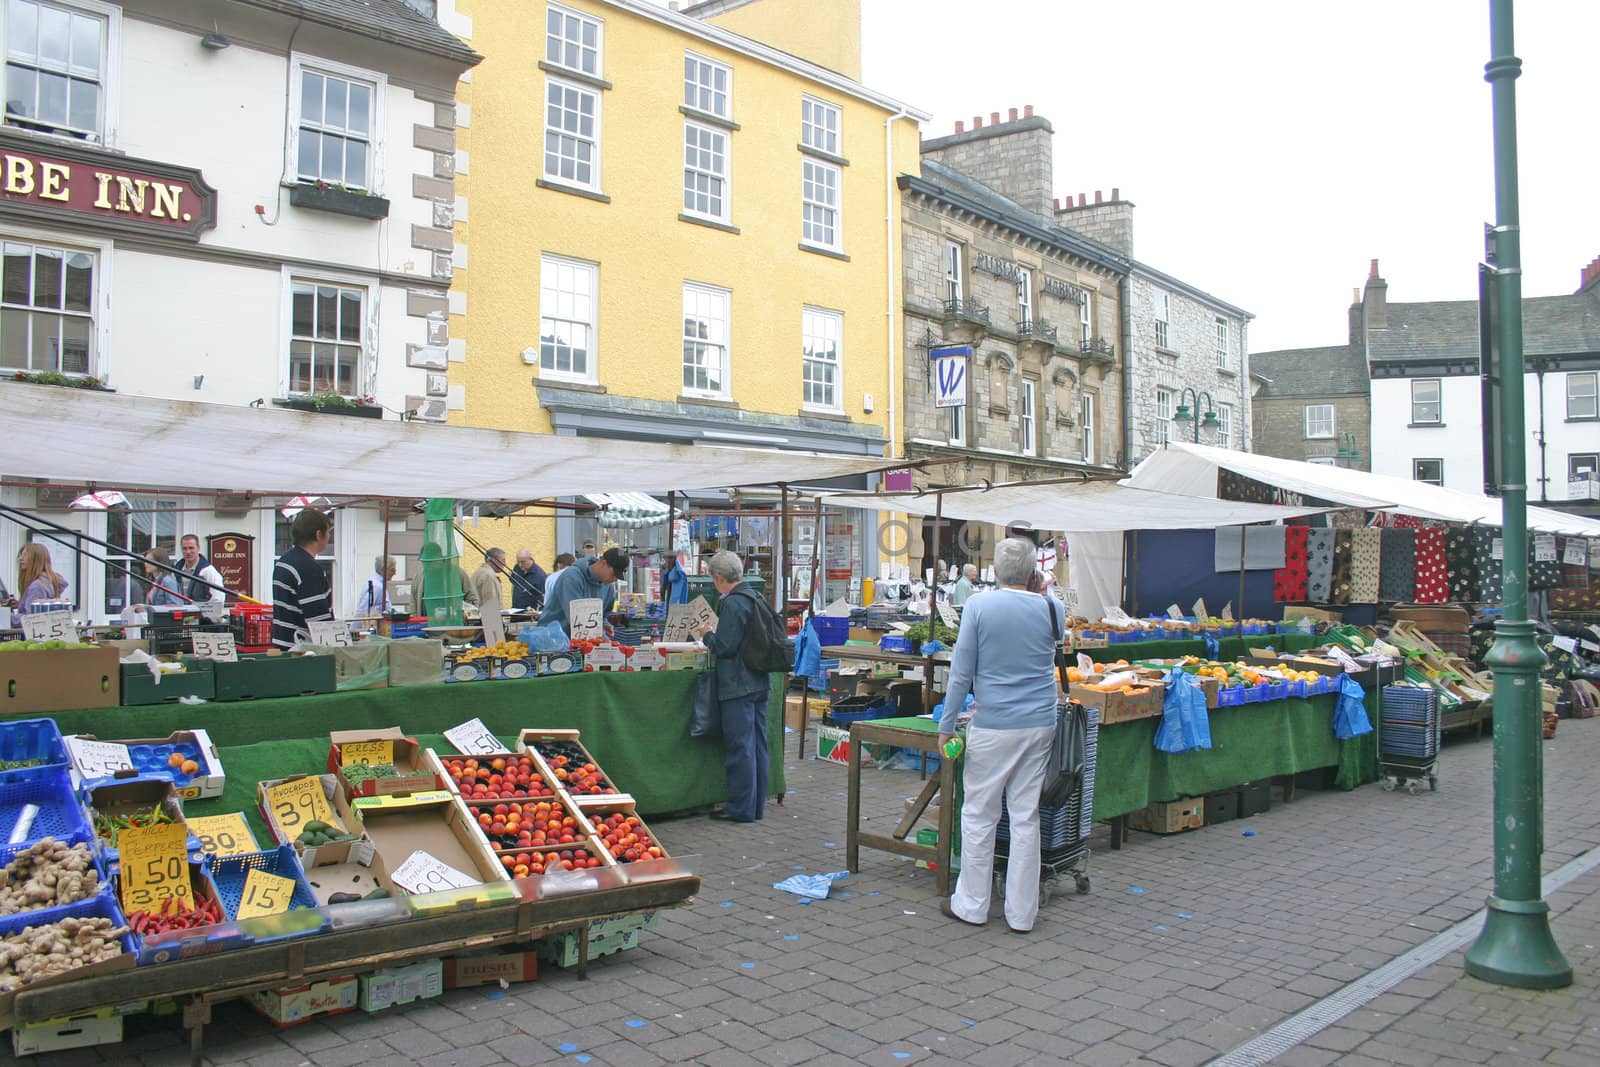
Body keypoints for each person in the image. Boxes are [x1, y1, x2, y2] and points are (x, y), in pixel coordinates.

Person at [937, 537, 1065, 934]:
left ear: (993, 571)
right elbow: (1055, 646)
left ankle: (972, 904)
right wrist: (1041, 588)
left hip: (993, 723)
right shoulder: (1051, 606)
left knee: (979, 814)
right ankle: (1021, 915)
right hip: (1040, 722)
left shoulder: (978, 606)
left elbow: (961, 673)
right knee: (1026, 816)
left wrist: (947, 724)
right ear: (1032, 572)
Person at [693, 551, 771, 823]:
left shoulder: (733, 604)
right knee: (758, 745)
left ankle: (741, 808)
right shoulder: (755, 596)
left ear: (718, 577)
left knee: (741, 747)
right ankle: (756, 805)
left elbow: (725, 647)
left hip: (738, 683)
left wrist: (707, 635)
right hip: (759, 679)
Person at [272, 508, 333, 649]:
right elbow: (319, 621)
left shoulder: (283, 561)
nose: (329, 536)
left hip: (282, 643)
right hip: (302, 651)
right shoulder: (308, 568)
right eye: (328, 531)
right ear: (318, 534)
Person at [541, 548, 627, 636]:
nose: (614, 580)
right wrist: (603, 640)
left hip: (579, 640)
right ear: (603, 564)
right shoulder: (571, 578)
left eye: (618, 577)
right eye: (614, 575)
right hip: (552, 639)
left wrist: (604, 625)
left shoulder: (608, 586)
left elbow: (602, 615)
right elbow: (577, 619)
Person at [15, 543, 68, 616]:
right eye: (21, 555)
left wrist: (8, 617)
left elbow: (31, 618)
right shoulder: (48, 580)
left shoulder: (37, 586)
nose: (20, 558)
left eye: (25, 555)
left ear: (36, 559)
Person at [175, 534, 226, 604]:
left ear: (198, 548)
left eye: (191, 548)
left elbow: (219, 599)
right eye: (184, 548)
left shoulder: (209, 571)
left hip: (200, 614)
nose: (188, 552)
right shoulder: (176, 570)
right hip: (181, 612)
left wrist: (206, 612)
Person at [471, 548, 509, 618]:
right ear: (493, 560)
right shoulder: (489, 576)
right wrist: (493, 628)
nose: (505, 564)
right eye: (503, 560)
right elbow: (490, 605)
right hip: (487, 622)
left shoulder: (478, 572)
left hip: (476, 619)